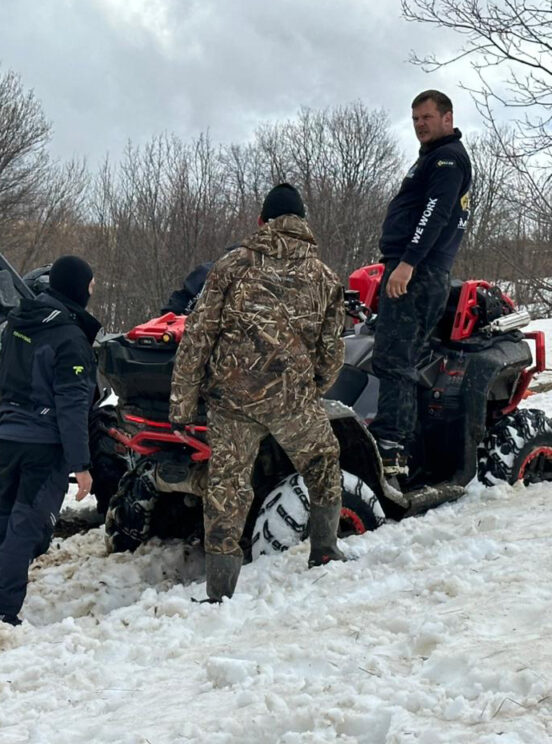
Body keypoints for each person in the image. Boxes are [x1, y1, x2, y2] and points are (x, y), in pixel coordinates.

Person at [169, 183, 347, 604]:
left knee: (227, 493)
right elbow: (332, 349)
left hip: (233, 403)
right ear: (303, 222)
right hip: (293, 402)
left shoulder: (232, 265)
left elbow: (199, 335)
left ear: (261, 221)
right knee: (324, 466)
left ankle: (219, 594)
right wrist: (310, 389)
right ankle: (325, 551)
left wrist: (182, 404)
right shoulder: (323, 276)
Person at [0, 255, 101, 626]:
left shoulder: (19, 321)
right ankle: (0, 613)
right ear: (77, 288)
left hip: (10, 435)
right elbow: (72, 407)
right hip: (44, 446)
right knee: (26, 527)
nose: (94, 289)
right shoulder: (69, 337)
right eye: (91, 283)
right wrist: (82, 465)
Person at [371, 90, 472, 475]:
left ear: (447, 118)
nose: (420, 125)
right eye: (414, 119)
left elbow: (435, 212)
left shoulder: (447, 159)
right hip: (415, 268)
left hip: (419, 271)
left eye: (427, 117)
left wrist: (408, 263)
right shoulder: (432, 158)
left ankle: (390, 447)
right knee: (401, 356)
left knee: (393, 358)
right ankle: (404, 444)